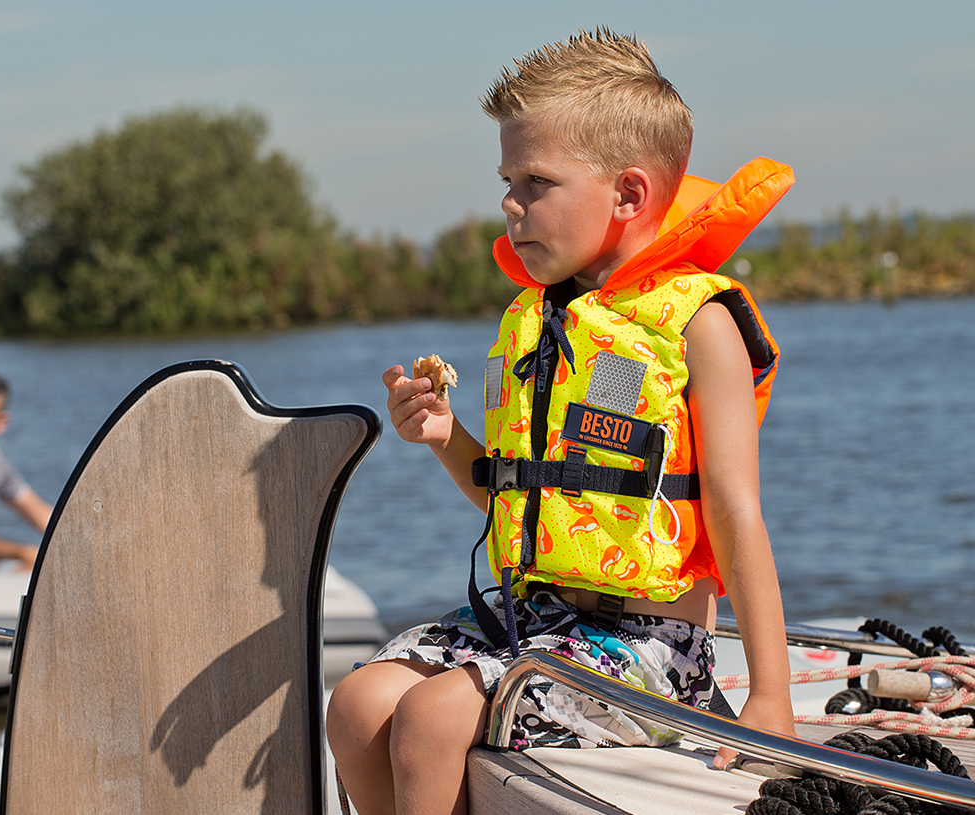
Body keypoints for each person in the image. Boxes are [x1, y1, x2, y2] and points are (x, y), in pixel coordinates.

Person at [327, 30, 796, 815]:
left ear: (629, 193)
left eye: (536, 181)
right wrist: (445, 436)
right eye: (507, 180)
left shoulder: (697, 326)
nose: (510, 204)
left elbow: (735, 511)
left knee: (431, 717)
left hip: (647, 648)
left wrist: (769, 699)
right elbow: (521, 497)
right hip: (534, 617)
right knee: (357, 702)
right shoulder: (541, 322)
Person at [0, 372, 52, 571]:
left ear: (1, 423)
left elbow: (40, 514)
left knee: (36, 564)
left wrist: (88, 538)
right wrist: (18, 551)